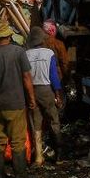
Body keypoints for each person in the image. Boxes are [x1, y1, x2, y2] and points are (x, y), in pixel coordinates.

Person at [0, 19, 37, 178]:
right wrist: (31, 99)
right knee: (17, 140)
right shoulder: (19, 52)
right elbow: (27, 78)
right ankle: (20, 175)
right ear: (9, 35)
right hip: (15, 104)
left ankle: (0, 176)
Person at [25, 36, 64, 166]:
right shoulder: (49, 53)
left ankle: (38, 157)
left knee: (36, 124)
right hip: (47, 90)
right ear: (42, 41)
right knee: (54, 121)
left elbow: (25, 76)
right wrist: (58, 94)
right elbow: (54, 75)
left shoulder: (26, 54)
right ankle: (58, 156)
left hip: (32, 91)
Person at [41, 20, 72, 85]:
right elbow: (64, 63)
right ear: (52, 30)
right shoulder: (58, 44)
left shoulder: (38, 44)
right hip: (57, 78)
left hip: (41, 79)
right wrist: (68, 78)